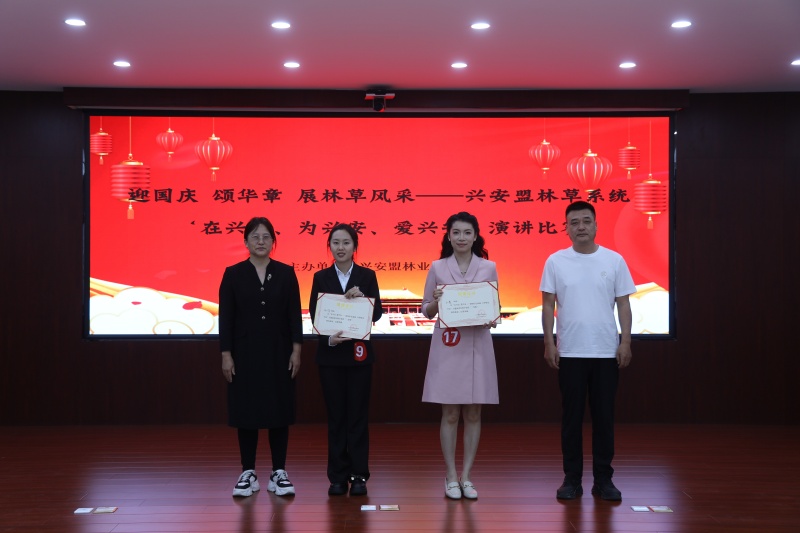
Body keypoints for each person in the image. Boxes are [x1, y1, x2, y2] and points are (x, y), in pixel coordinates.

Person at [540, 200, 635, 501]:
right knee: (571, 419)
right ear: (566, 228)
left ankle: (603, 480)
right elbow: (547, 305)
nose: (580, 227)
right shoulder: (555, 261)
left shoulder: (614, 260)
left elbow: (623, 304)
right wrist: (549, 342)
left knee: (604, 419)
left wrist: (626, 341)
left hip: (606, 351)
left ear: (596, 225)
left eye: (586, 221)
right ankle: (572, 480)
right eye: (574, 222)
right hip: (570, 352)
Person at [219, 216, 303, 498]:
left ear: (273, 242)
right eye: (255, 236)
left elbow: (294, 315)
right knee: (246, 411)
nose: (260, 241)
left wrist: (297, 350)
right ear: (245, 242)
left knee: (279, 409)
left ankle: (279, 472)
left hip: (279, 352)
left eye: (266, 236)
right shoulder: (233, 274)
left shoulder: (286, 273)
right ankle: (248, 472)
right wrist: (226, 354)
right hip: (244, 354)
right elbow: (226, 318)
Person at [421, 212, 499, 500]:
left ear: (476, 236)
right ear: (448, 236)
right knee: (451, 413)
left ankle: (467, 476)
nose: (462, 238)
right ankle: (451, 476)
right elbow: (425, 310)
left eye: (467, 233)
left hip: (478, 344)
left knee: (474, 413)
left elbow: (494, 307)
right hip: (449, 346)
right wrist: (436, 303)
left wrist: (492, 317)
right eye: (456, 233)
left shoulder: (489, 267)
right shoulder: (438, 267)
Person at [309, 223, 383, 497]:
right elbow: (316, 315)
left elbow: (377, 314)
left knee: (358, 418)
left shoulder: (367, 276)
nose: (340, 248)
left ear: (355, 247)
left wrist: (363, 298)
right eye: (335, 243)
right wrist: (329, 339)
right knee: (336, 418)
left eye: (346, 243)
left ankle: (359, 475)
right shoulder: (320, 277)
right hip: (331, 356)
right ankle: (337, 477)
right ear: (329, 246)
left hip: (359, 356)